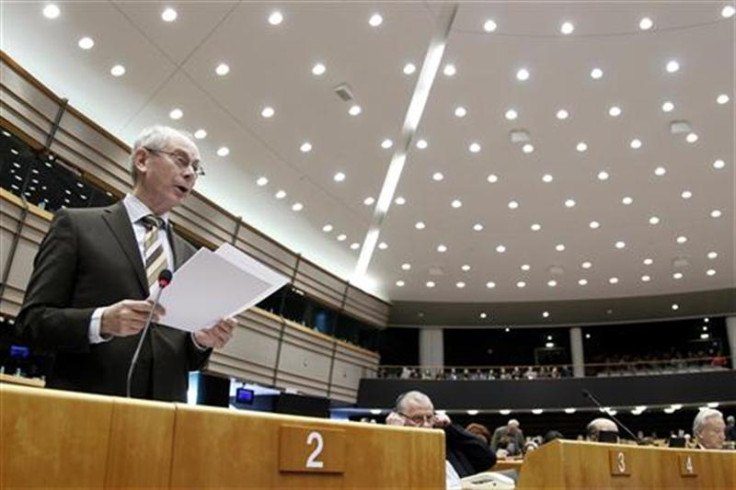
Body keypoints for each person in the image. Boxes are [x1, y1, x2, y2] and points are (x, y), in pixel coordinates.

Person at [16, 125, 236, 402]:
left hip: (165, 419)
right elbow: (32, 323)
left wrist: (201, 341)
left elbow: (186, 359)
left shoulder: (191, 256)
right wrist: (101, 322)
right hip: (85, 409)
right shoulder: (76, 226)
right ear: (142, 160)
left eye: (196, 168)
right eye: (181, 160)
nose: (190, 173)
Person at [385, 391, 496, 485]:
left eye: (429, 417)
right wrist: (394, 435)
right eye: (417, 419)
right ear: (400, 419)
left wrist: (450, 428)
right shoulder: (393, 449)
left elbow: (488, 459)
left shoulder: (448, 444)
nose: (426, 425)